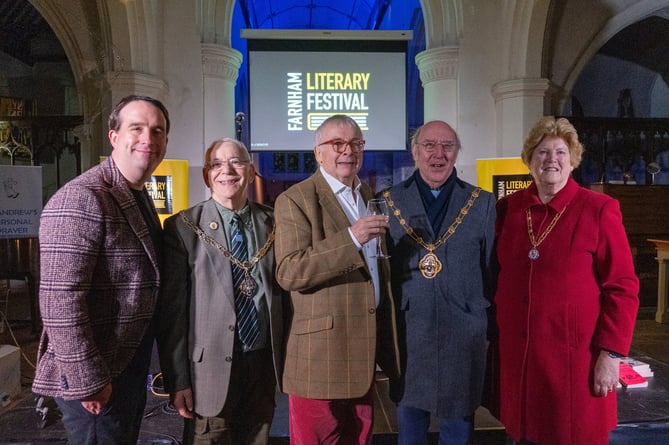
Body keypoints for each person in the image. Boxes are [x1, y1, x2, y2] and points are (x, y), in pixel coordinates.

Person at [32, 95, 169, 444]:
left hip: (125, 368)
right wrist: (86, 380)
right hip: (95, 376)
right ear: (113, 137)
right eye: (136, 128)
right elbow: (60, 302)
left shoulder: (135, 193)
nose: (148, 139)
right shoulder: (81, 197)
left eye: (157, 131)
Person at [495, 116, 640, 445]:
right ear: (530, 159)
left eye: (560, 152)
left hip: (576, 363)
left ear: (573, 160)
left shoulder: (599, 210)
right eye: (543, 152)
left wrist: (611, 355)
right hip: (521, 361)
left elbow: (623, 288)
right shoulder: (508, 210)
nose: (551, 160)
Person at [274, 114, 400, 445]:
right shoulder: (295, 200)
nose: (348, 151)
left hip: (363, 355)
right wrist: (352, 238)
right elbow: (290, 271)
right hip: (319, 360)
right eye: (338, 144)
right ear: (318, 152)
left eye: (356, 143)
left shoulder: (367, 194)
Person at [156, 138, 284, 444]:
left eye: (236, 162)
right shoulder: (184, 227)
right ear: (206, 175)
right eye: (216, 164)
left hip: (263, 365)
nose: (226, 170)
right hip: (207, 373)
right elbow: (172, 315)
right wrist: (178, 380)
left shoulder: (276, 222)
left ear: (251, 172)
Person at [383, 120, 497, 445]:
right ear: (415, 152)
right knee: (410, 432)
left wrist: (488, 326)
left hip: (464, 334)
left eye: (447, 146)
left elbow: (490, 271)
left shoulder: (482, 203)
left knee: (458, 433)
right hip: (409, 335)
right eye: (429, 146)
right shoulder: (388, 201)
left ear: (457, 152)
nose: (438, 154)